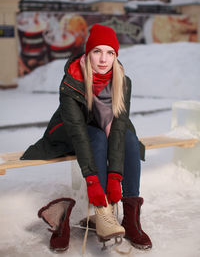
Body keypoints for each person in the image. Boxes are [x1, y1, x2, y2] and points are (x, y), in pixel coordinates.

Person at [21, 24, 152, 252]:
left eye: (110, 52)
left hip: (104, 128)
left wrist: (114, 177)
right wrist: (93, 182)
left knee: (130, 139)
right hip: (73, 130)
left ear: (115, 56)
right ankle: (102, 212)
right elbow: (80, 135)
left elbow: (119, 127)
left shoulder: (123, 80)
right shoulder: (72, 79)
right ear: (87, 53)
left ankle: (131, 219)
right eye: (97, 51)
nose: (103, 59)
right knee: (98, 138)